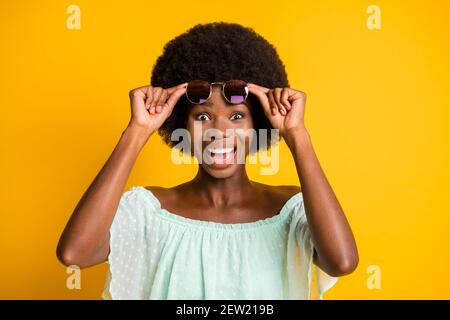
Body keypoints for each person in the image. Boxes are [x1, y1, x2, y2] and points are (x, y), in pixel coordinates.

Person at [56, 22, 358, 300]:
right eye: (203, 116)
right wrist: (137, 131)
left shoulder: (289, 210)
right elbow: (75, 253)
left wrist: (296, 133)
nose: (219, 131)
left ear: (259, 125)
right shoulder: (150, 211)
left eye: (237, 116)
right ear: (181, 125)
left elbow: (341, 261)